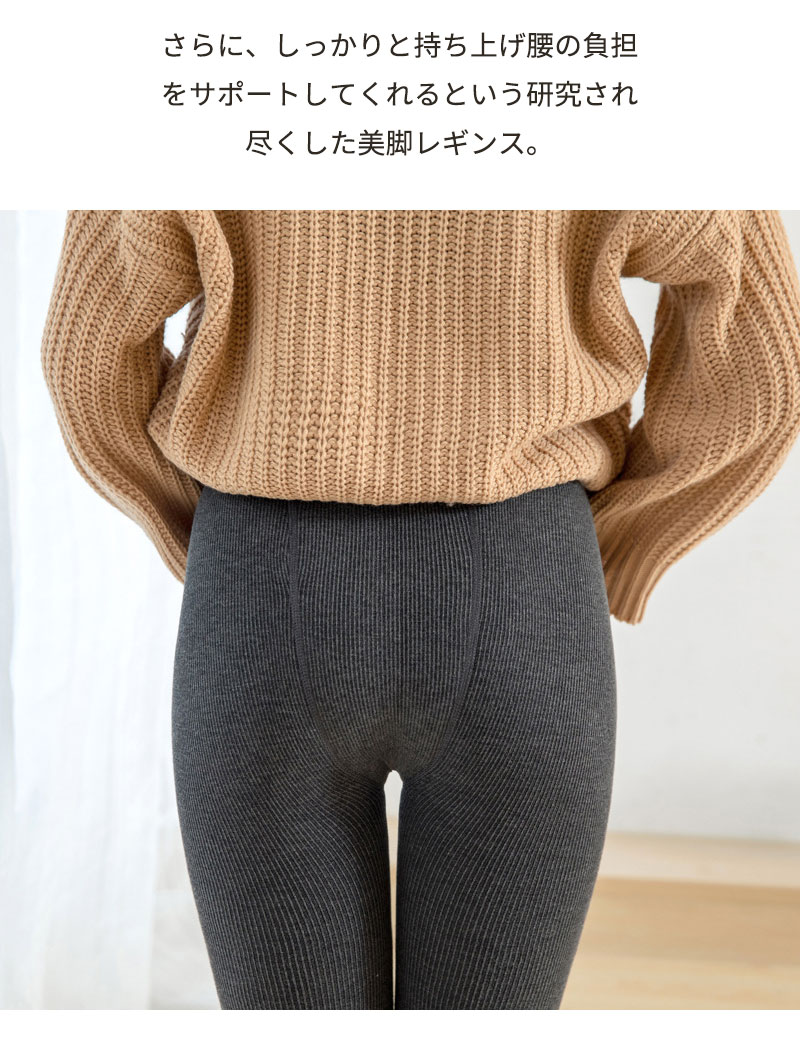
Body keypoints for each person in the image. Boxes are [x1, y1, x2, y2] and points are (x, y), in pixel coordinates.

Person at [40, 210, 800, 1009]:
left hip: (262, 589)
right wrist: (606, 544)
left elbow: (88, 357)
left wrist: (206, 539)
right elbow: (760, 370)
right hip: (526, 588)